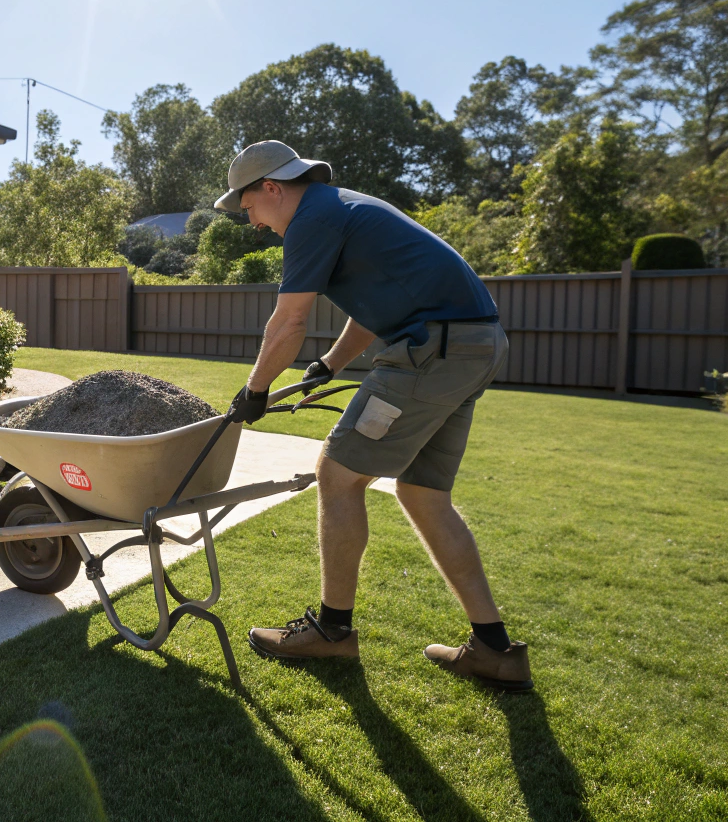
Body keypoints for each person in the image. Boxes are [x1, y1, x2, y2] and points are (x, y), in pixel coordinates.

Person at [217, 140, 531, 692]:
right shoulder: (342, 207)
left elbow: (287, 321)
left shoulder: (313, 217)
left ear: (272, 187)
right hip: (475, 344)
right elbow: (370, 311)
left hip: (432, 351)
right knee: (423, 494)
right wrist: (329, 365)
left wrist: (256, 390)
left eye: (249, 210)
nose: (255, 225)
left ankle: (332, 633)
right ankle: (494, 649)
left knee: (337, 475)